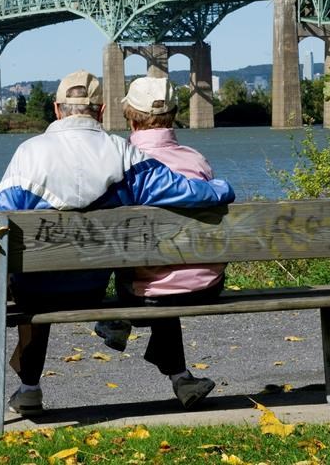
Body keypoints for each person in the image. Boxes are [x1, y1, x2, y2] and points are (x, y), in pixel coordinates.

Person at [0, 69, 234, 416]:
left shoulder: (28, 155)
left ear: (57, 109)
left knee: (34, 279)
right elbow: (186, 192)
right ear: (102, 111)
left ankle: (29, 389)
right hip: (90, 288)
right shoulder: (124, 155)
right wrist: (222, 188)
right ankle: (177, 375)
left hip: (34, 292)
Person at [94, 76, 227, 409]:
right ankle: (181, 378)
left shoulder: (122, 163)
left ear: (130, 117)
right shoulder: (197, 161)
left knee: (148, 272)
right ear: (175, 114)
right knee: (165, 272)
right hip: (207, 285)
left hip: (147, 292)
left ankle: (118, 321)